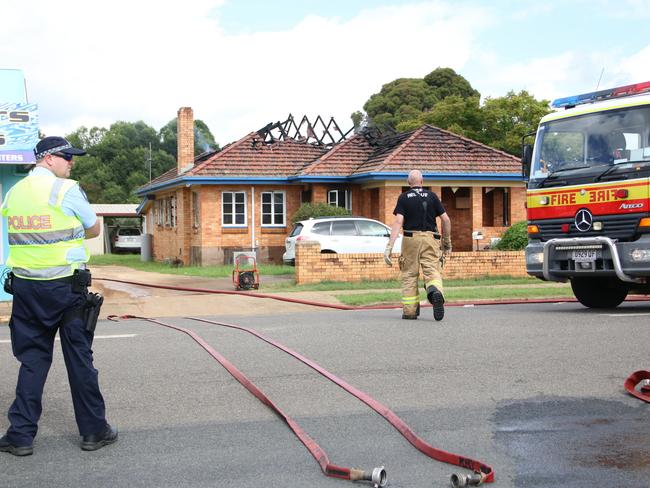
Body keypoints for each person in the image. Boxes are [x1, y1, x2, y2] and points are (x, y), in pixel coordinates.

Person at [0, 136, 117, 456]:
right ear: (48, 159)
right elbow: (94, 229)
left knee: (32, 361)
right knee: (79, 360)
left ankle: (20, 436)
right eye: (67, 156)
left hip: (25, 289)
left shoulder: (14, 192)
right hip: (66, 289)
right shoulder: (65, 190)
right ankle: (94, 431)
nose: (71, 162)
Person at [384, 170, 451, 321]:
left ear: (409, 183)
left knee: (409, 274)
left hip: (410, 238)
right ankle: (435, 292)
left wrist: (389, 246)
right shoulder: (432, 196)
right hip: (431, 238)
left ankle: (410, 312)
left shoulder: (403, 198)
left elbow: (398, 222)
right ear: (422, 181)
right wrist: (446, 242)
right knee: (432, 270)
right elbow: (446, 220)